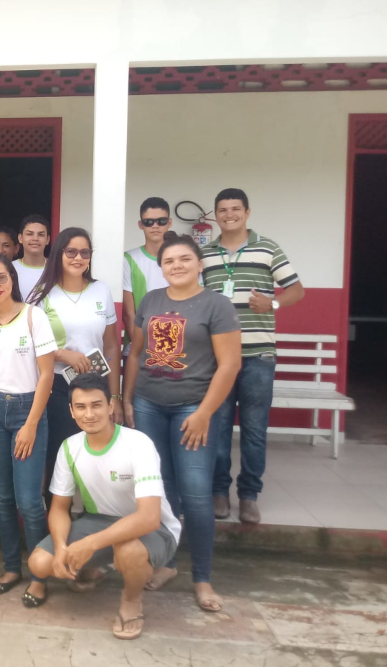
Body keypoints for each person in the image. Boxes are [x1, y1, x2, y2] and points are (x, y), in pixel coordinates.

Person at [123, 232, 241, 613]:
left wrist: (204, 413)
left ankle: (202, 578)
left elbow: (230, 365)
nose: (177, 266)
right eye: (169, 261)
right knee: (160, 489)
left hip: (194, 407)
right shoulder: (151, 300)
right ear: (161, 268)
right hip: (149, 404)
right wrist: (127, 399)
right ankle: (168, 563)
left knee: (195, 494)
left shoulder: (217, 305)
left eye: (184, 259)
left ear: (199, 264)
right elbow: (135, 353)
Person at [28, 373, 182, 641]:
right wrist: (62, 546)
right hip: (100, 521)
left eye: (96, 405)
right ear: (71, 411)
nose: (89, 414)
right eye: (81, 407)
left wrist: (90, 544)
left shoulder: (138, 444)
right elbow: (59, 508)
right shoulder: (69, 448)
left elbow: (149, 518)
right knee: (40, 563)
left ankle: (131, 600)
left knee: (129, 551)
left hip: (154, 529)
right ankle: (106, 564)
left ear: (110, 406)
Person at [201, 188, 305, 524]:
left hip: (258, 355)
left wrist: (272, 303)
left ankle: (249, 496)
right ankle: (219, 491)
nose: (229, 215)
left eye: (235, 209)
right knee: (216, 427)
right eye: (222, 210)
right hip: (217, 358)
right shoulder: (205, 254)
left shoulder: (268, 248)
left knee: (255, 429)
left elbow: (296, 290)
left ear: (247, 213)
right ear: (215, 215)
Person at [0, 254, 56, 606]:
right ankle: (12, 567)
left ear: (12, 278)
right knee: (2, 498)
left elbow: (46, 375)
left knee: (29, 500)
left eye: (1, 277)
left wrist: (31, 425)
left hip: (28, 411)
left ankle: (39, 574)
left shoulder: (33, 316)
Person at [31, 227, 122, 499]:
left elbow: (111, 345)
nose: (78, 258)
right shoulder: (43, 294)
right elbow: (29, 344)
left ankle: (98, 513)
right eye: (71, 251)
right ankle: (59, 512)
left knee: (98, 452)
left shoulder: (101, 290)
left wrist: (114, 395)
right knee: (60, 453)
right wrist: (62, 354)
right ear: (59, 254)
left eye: (84, 252)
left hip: (96, 384)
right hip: (58, 385)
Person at [122, 197, 171, 363]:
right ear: (140, 224)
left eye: (161, 221)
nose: (155, 226)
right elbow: (128, 314)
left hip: (176, 350)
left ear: (169, 223)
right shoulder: (128, 259)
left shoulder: (181, 258)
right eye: (148, 222)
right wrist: (142, 349)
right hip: (138, 351)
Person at [12, 214, 51, 299]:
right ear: (20, 238)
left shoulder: (56, 268)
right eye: (29, 234)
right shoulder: (10, 268)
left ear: (47, 239)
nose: (35, 238)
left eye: (41, 234)